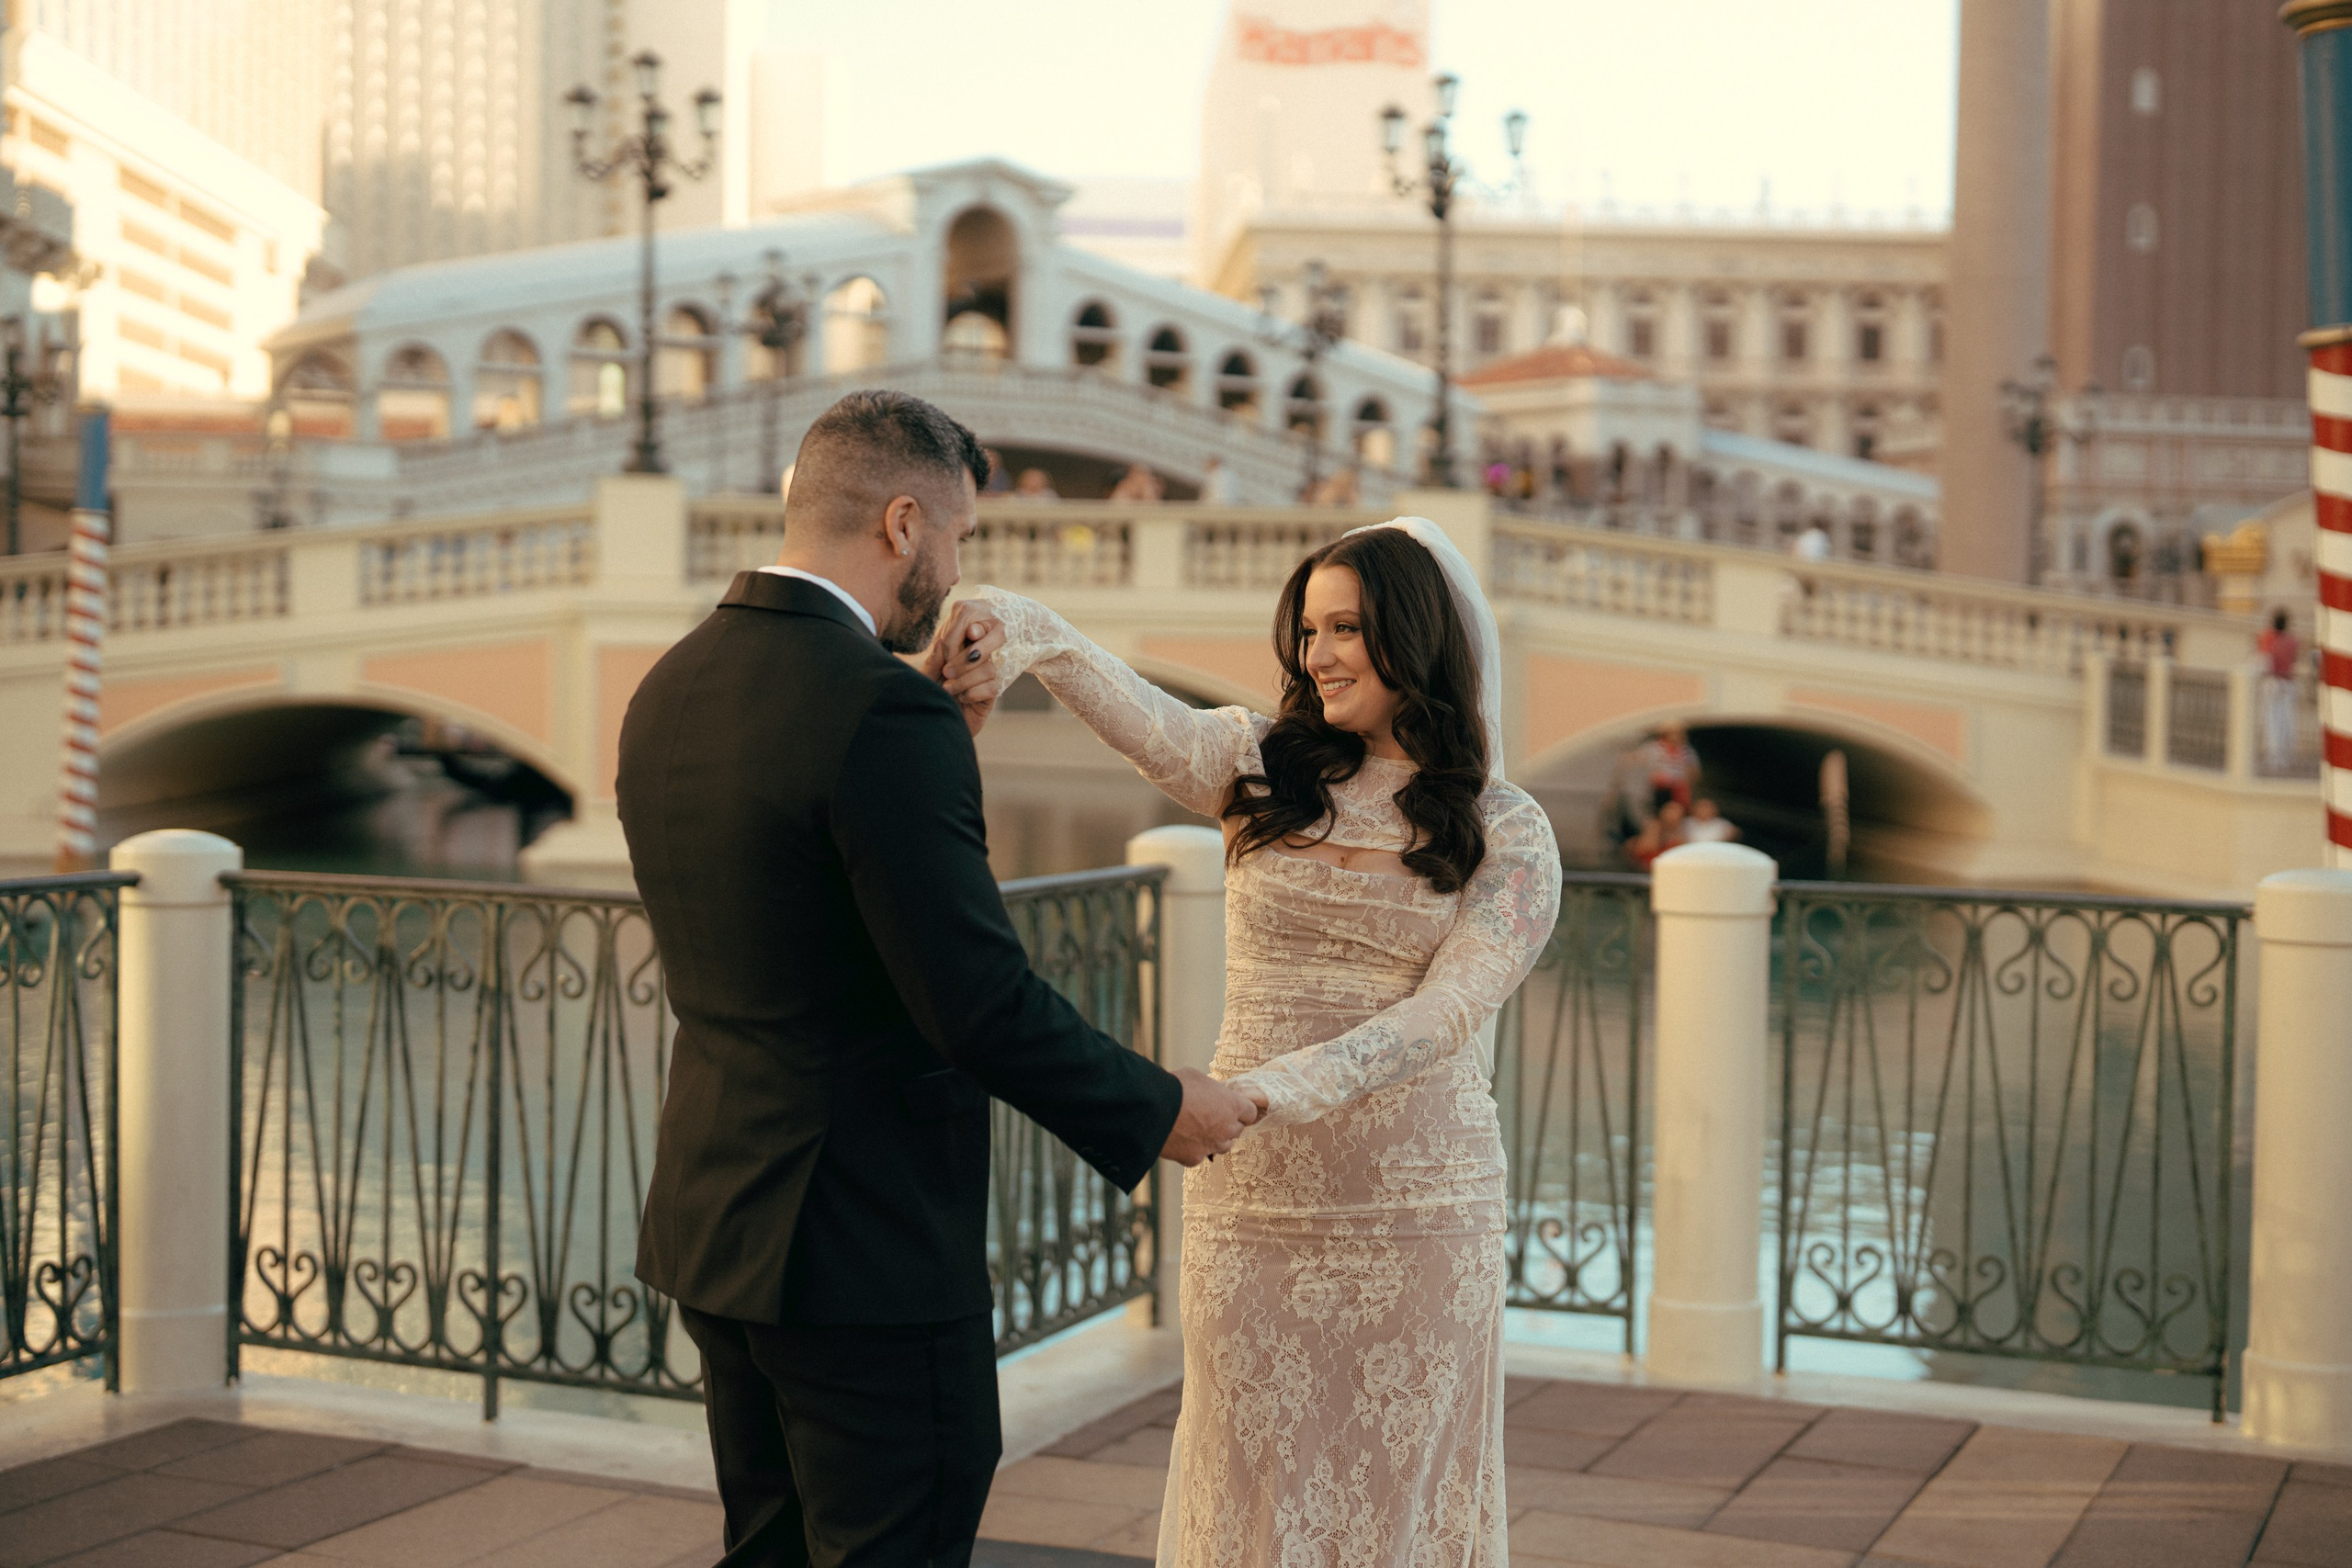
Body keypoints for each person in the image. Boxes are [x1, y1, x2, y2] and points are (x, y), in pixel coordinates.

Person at [616, 389, 1262, 1568]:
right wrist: (1161, 1108)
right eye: (960, 534)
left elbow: (801, 903)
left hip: (717, 1220)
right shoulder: (879, 714)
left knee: (767, 1547)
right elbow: (976, 1000)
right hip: (865, 1252)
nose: (959, 562)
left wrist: (924, 724)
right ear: (904, 523)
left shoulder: (673, 680)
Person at [935, 522, 1562, 1568]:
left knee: (1400, 1492)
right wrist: (1030, 628)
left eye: (1349, 628)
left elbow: (1444, 1016)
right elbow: (1135, 715)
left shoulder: (1509, 829)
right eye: (1309, 630)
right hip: (1255, 1202)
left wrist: (1264, 1092)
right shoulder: (1257, 766)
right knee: (1248, 1477)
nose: (1318, 655)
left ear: (1417, 634)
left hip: (1418, 1208)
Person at [2257, 608, 2301, 773]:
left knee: (2272, 723)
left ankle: (2274, 758)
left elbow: (2265, 660)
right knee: (2287, 723)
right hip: (2288, 684)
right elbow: (2293, 659)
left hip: (2273, 683)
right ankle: (2285, 758)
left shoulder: (2268, 637)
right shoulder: (2292, 640)